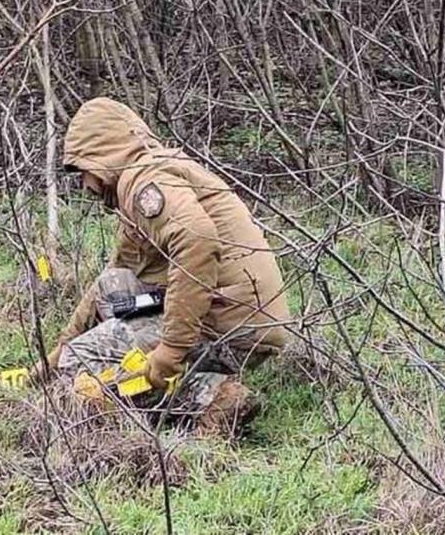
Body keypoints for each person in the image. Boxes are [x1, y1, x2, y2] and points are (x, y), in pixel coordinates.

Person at [37, 97, 291, 433]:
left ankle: (212, 396)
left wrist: (170, 350)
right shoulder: (149, 174)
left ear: (101, 154)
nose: (84, 185)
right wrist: (53, 356)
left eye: (82, 170)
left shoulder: (143, 182)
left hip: (231, 328)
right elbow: (111, 280)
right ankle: (197, 377)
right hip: (240, 318)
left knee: (79, 362)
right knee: (113, 291)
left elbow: (197, 241)